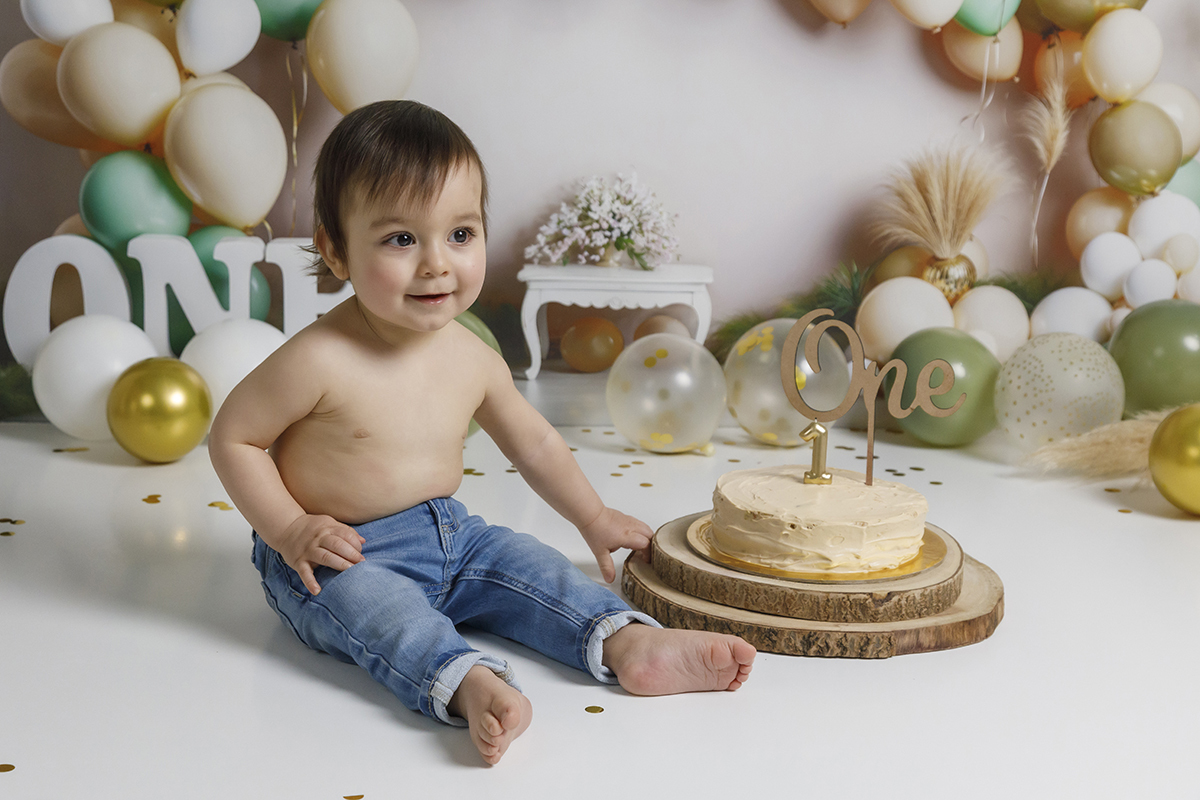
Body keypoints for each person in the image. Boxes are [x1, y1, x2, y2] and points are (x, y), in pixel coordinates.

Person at [208, 100, 755, 766]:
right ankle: (467, 681)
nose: (437, 264)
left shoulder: (471, 354)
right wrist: (290, 529)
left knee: (530, 568)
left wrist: (593, 515)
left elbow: (535, 443)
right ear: (334, 249)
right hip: (335, 554)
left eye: (460, 234)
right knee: (382, 614)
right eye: (401, 239)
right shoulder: (319, 358)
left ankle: (623, 642)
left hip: (450, 533)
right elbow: (233, 437)